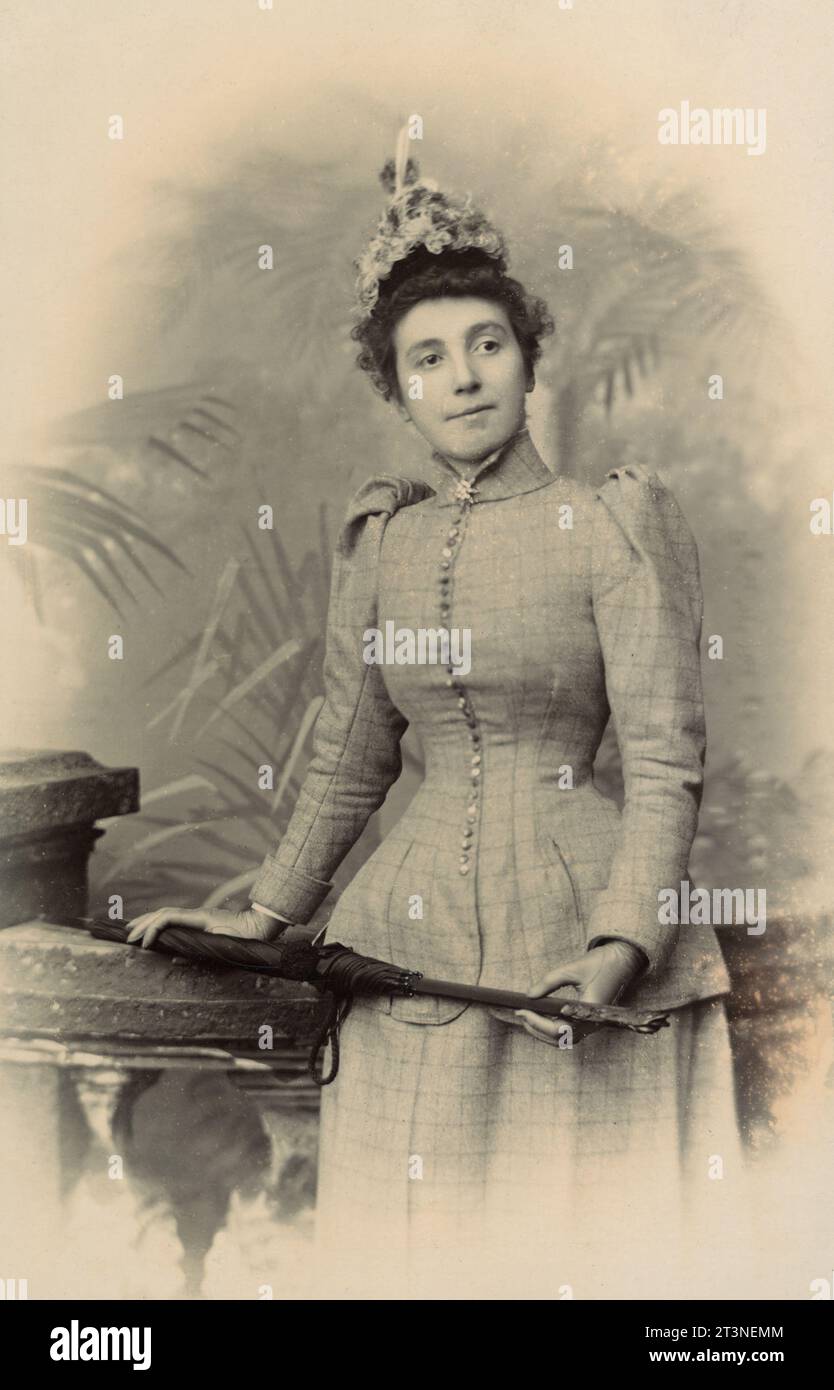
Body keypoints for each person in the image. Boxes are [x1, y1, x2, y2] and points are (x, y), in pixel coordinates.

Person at [127, 136, 744, 1299]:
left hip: (576, 933)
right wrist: (265, 916)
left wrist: (619, 946)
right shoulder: (384, 545)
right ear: (398, 387)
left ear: (526, 360)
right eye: (428, 359)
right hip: (402, 952)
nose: (462, 378)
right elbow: (347, 760)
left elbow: (666, 763)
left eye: (486, 346)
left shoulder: (611, 526)